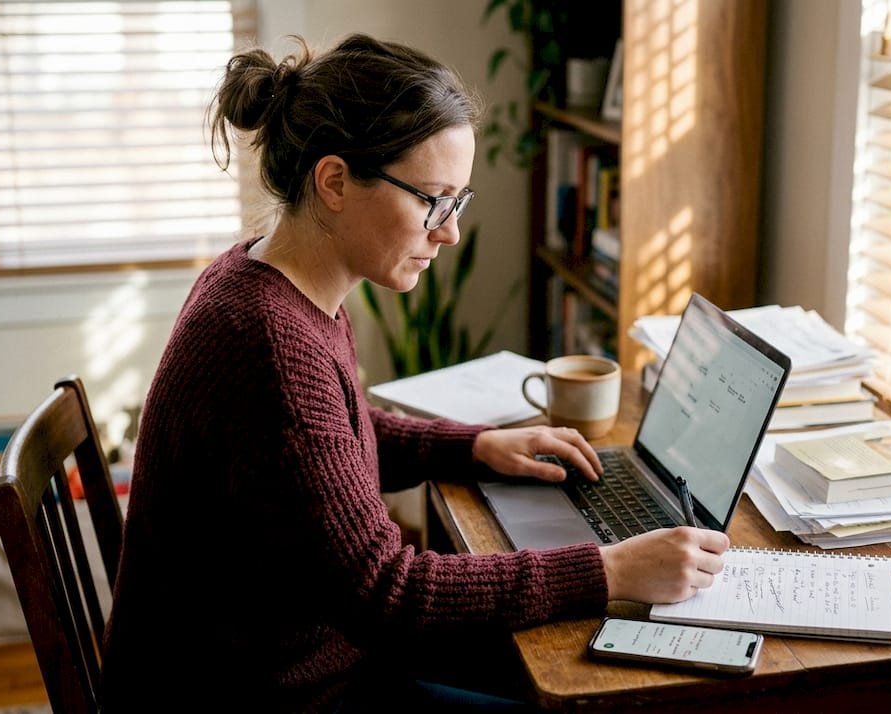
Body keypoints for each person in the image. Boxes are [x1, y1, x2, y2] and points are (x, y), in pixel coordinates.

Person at [99, 33, 730, 712]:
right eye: (433, 199)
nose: (450, 232)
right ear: (335, 181)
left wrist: (475, 446)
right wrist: (608, 570)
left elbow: (325, 442)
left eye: (458, 202)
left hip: (288, 660)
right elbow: (387, 594)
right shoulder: (269, 343)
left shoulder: (265, 279)